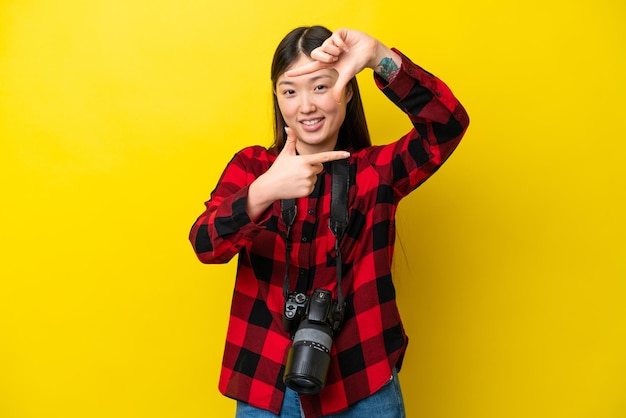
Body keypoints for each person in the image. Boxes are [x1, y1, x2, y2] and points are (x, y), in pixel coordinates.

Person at [189, 26, 469, 418]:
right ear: (277, 99)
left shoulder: (376, 173)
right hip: (265, 382)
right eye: (291, 91)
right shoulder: (253, 168)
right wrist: (264, 191)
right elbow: (205, 244)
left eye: (321, 87)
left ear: (348, 91)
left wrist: (379, 57)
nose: (306, 106)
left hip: (362, 379)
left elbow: (447, 125)